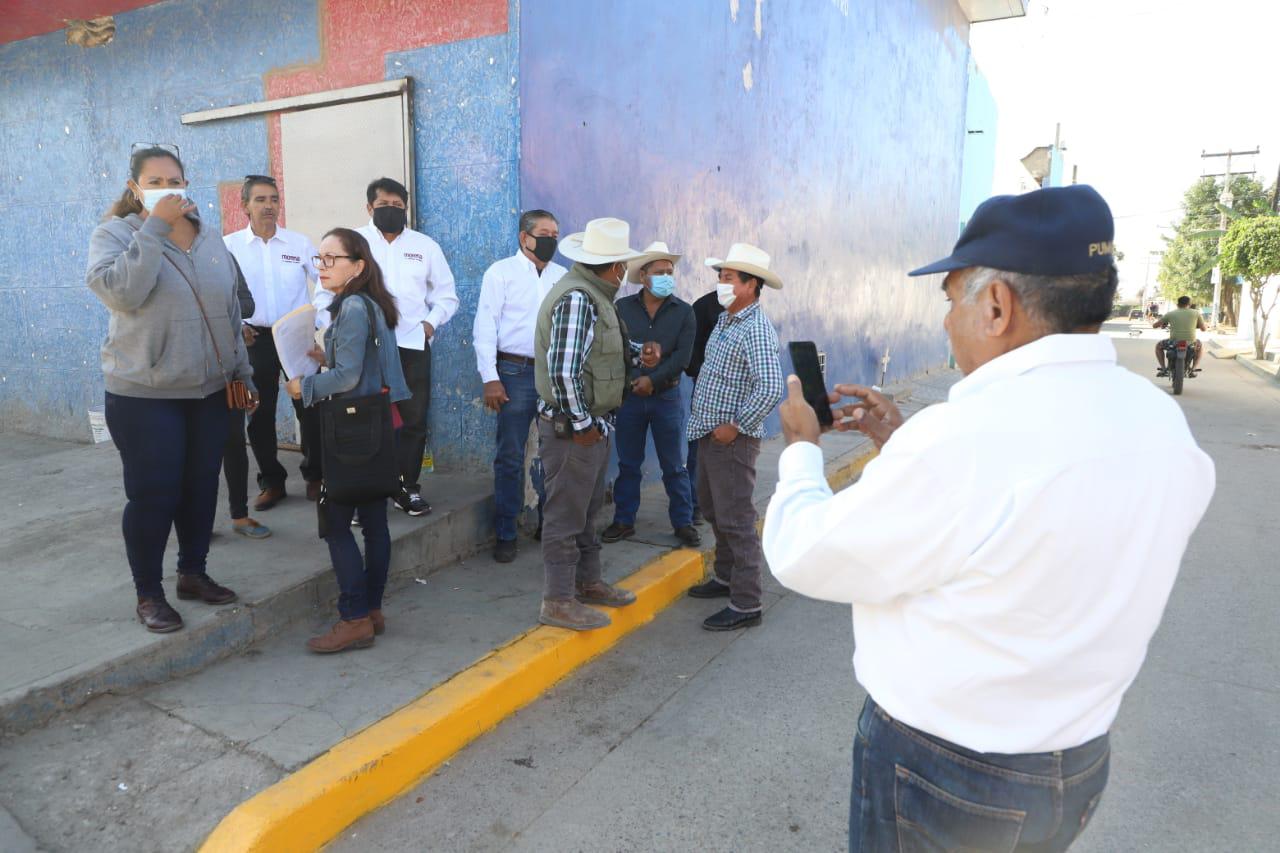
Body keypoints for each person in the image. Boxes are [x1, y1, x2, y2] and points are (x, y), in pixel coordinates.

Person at [763, 186, 1215, 851]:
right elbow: (1024, 520)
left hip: (946, 775)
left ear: (997, 305)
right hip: (1075, 765)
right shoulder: (1158, 420)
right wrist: (903, 445)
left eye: (952, 300)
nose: (948, 322)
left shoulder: (964, 439)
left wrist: (802, 450)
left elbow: (802, 552)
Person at [87, 144, 256, 634]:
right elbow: (122, 293)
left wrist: (242, 372)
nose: (167, 189)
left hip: (210, 391)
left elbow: (229, 311)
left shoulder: (209, 237)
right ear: (134, 187)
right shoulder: (114, 234)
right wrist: (155, 227)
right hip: (145, 394)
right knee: (154, 494)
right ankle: (149, 593)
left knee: (201, 487)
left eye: (174, 180)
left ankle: (192, 573)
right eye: (155, 182)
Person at [287, 228, 411, 653]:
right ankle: (371, 611)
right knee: (374, 523)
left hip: (355, 432)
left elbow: (348, 378)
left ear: (357, 266)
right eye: (319, 259)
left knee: (336, 524)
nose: (322, 267)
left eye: (331, 259)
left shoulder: (354, 307)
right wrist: (330, 355)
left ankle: (354, 617)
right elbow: (365, 364)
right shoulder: (367, 302)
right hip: (378, 424)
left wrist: (305, 386)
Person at [534, 217, 661, 631]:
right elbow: (563, 371)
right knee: (565, 516)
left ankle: (586, 583)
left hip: (590, 427)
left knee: (586, 512)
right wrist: (582, 423)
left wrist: (639, 353)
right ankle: (557, 600)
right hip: (574, 431)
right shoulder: (578, 299)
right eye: (623, 264)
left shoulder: (594, 296)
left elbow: (596, 351)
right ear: (616, 267)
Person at [318, 177, 458, 517]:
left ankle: (406, 488)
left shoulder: (425, 246)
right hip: (362, 350)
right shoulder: (351, 243)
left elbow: (447, 295)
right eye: (384, 205)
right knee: (360, 420)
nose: (391, 211)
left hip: (411, 346)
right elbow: (323, 294)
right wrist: (336, 331)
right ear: (369, 208)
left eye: (398, 206)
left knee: (412, 420)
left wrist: (429, 325)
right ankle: (358, 494)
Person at [685, 243, 784, 631]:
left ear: (751, 284)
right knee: (714, 509)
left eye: (728, 278)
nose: (720, 284)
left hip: (732, 441)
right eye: (721, 277)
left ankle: (746, 603)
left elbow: (771, 386)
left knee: (736, 518)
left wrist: (736, 425)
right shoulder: (727, 320)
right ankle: (726, 576)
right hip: (709, 434)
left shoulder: (756, 328)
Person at [224, 174, 323, 509]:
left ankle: (316, 475)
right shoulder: (229, 247)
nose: (269, 206)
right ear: (245, 206)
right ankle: (272, 482)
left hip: (296, 337)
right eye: (260, 200)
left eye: (274, 199)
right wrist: (237, 326)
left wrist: (317, 320)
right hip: (254, 339)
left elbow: (325, 283)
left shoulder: (299, 244)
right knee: (259, 412)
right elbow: (219, 294)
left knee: (309, 406)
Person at [473, 210, 566, 562]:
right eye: (544, 233)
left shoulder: (562, 277)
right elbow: (486, 325)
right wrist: (490, 377)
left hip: (553, 374)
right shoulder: (501, 273)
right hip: (513, 372)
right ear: (524, 237)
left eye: (555, 234)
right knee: (510, 455)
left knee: (555, 452)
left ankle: (549, 525)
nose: (550, 240)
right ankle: (506, 532)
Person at [603, 241, 699, 547]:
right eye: (660, 272)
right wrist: (636, 377)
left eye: (670, 272)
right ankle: (623, 520)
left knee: (674, 464)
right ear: (643, 276)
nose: (667, 277)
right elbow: (614, 350)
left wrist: (653, 380)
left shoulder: (684, 313)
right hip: (630, 398)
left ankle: (683, 522)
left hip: (666, 398)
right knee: (629, 463)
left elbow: (682, 358)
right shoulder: (622, 309)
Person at [222, 256, 272, 539]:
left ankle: (239, 516)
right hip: (183, 378)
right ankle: (194, 524)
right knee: (192, 455)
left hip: (228, 370)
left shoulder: (221, 256)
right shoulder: (164, 254)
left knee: (234, 444)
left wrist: (223, 312)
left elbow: (247, 304)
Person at [683, 283, 725, 526]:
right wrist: (701, 373)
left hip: (736, 393)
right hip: (706, 390)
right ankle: (695, 505)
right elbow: (692, 347)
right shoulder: (703, 306)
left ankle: (722, 502)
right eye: (724, 275)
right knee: (698, 450)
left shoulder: (750, 312)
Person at [1153, 295, 1206, 375]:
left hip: (1173, 342)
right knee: (1200, 346)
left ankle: (1163, 369)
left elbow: (1155, 325)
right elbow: (1203, 329)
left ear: (1177, 304)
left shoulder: (1170, 314)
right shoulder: (1196, 313)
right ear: (1189, 304)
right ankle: (1193, 369)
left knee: (1158, 346)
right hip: (1191, 343)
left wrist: (1162, 324)